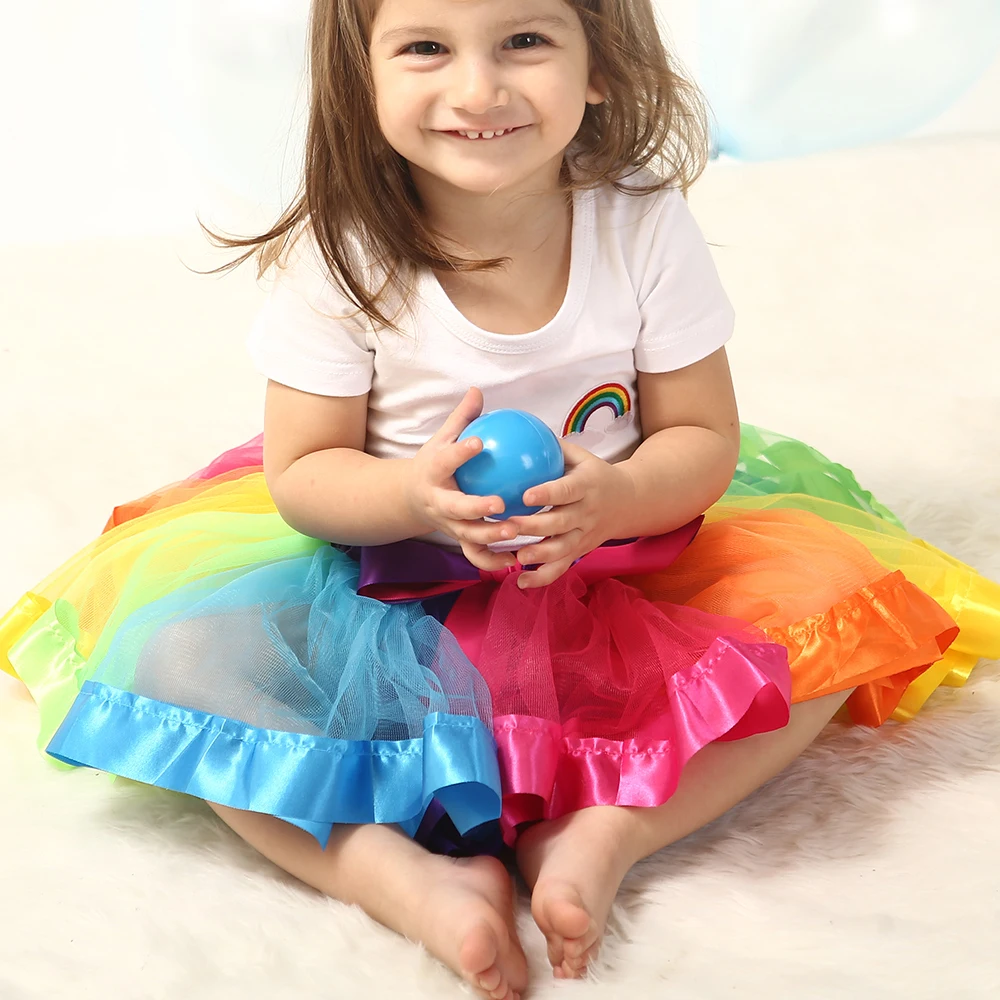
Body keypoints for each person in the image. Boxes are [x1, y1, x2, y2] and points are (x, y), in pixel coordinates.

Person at [2, 0, 998, 998]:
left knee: (836, 615)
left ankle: (608, 831)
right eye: (426, 48)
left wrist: (616, 497)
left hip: (613, 571)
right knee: (175, 664)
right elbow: (303, 472)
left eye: (524, 40)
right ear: (362, 76)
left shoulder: (640, 224)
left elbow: (701, 437)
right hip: (394, 594)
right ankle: (396, 878)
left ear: (598, 65)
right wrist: (412, 495)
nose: (478, 89)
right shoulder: (345, 253)